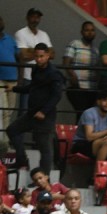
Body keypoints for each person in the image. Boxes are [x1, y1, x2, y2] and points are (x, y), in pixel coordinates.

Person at [7, 43, 62, 172]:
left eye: (41, 56)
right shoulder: (36, 69)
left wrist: (43, 111)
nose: (38, 59)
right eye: (36, 56)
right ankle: (22, 160)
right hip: (32, 113)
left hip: (45, 117)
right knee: (12, 130)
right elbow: (32, 87)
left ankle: (44, 177)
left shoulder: (54, 73)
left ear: (48, 55)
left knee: (44, 148)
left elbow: (56, 96)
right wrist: (15, 89)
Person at [14, 8, 54, 113]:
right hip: (27, 76)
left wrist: (31, 50)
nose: (35, 19)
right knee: (24, 109)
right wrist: (43, 53)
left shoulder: (44, 34)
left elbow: (53, 54)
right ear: (27, 18)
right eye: (33, 17)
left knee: (40, 108)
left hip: (44, 76)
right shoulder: (20, 33)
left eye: (37, 17)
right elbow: (23, 55)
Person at [71, 91, 107, 162]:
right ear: (98, 101)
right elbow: (89, 137)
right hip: (81, 143)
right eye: (104, 100)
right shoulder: (89, 113)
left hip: (101, 144)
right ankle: (98, 168)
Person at [63, 21, 99, 121]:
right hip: (77, 87)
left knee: (87, 115)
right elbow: (66, 63)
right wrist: (72, 75)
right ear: (82, 32)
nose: (90, 33)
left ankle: (81, 131)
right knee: (82, 112)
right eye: (87, 30)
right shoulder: (74, 44)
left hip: (92, 88)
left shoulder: (96, 50)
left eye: (92, 30)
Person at [0, 17, 19, 139]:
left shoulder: (10, 39)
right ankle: (3, 141)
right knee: (3, 110)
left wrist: (20, 79)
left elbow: (19, 58)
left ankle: (4, 139)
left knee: (10, 111)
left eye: (1, 20)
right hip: (0, 80)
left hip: (13, 80)